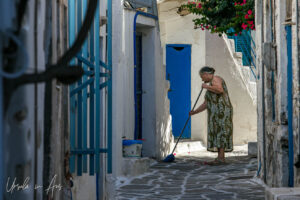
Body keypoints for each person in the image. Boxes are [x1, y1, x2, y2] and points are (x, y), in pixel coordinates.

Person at [189, 66, 233, 164]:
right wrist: (194, 112)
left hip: (222, 113)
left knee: (221, 133)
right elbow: (206, 104)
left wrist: (207, 87)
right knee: (216, 133)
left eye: (202, 76)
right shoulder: (210, 85)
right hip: (215, 114)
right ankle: (220, 157)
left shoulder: (215, 79)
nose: (202, 79)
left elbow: (220, 90)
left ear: (206, 74)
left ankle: (221, 158)